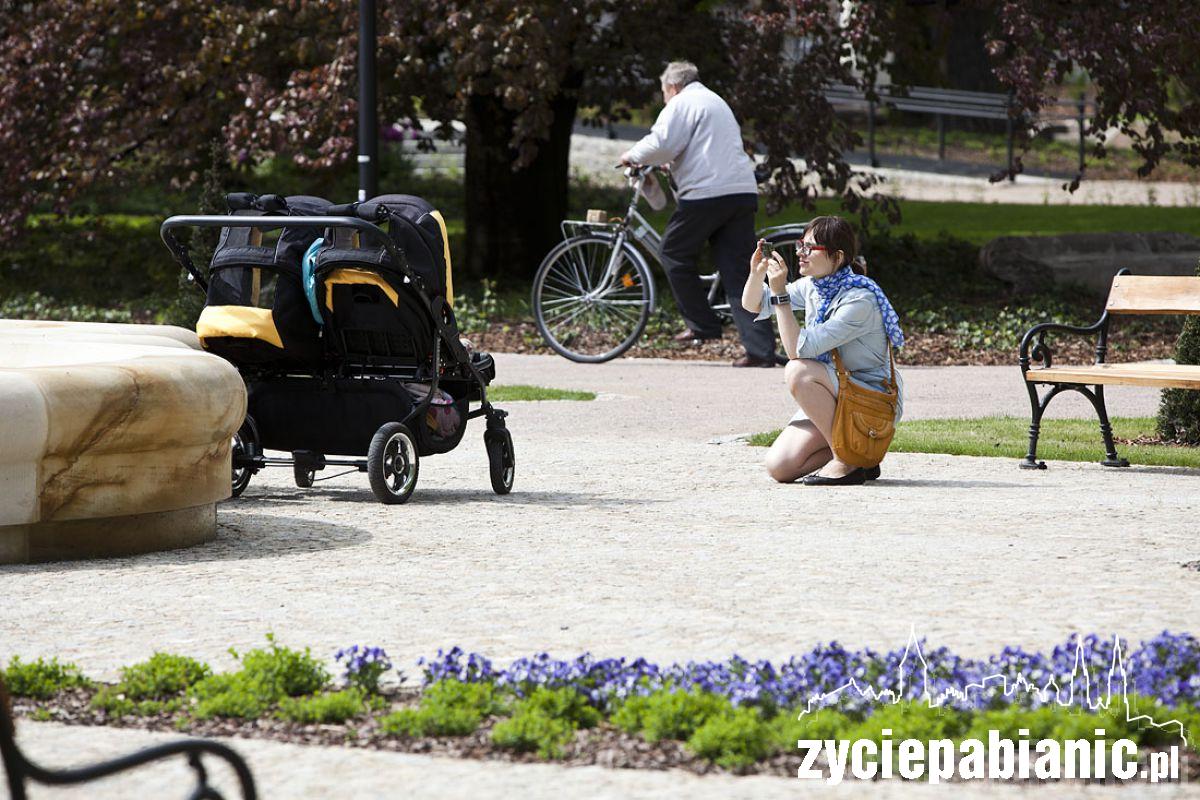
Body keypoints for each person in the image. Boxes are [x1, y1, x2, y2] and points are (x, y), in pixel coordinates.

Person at [619, 61, 776, 368]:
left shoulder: (682, 102)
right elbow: (698, 148)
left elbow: (661, 141)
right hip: (741, 192)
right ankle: (760, 352)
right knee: (740, 274)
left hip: (708, 195)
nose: (665, 98)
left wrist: (631, 156)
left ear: (672, 87)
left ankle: (702, 325)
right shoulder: (714, 101)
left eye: (664, 92)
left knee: (673, 251)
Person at [741, 216, 905, 486]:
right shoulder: (814, 286)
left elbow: (796, 351)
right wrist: (757, 273)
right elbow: (752, 305)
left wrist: (781, 294)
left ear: (837, 256)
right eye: (800, 245)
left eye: (809, 248)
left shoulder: (858, 299)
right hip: (835, 390)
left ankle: (849, 461)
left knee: (798, 371)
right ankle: (863, 453)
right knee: (779, 467)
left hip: (868, 396)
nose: (799, 254)